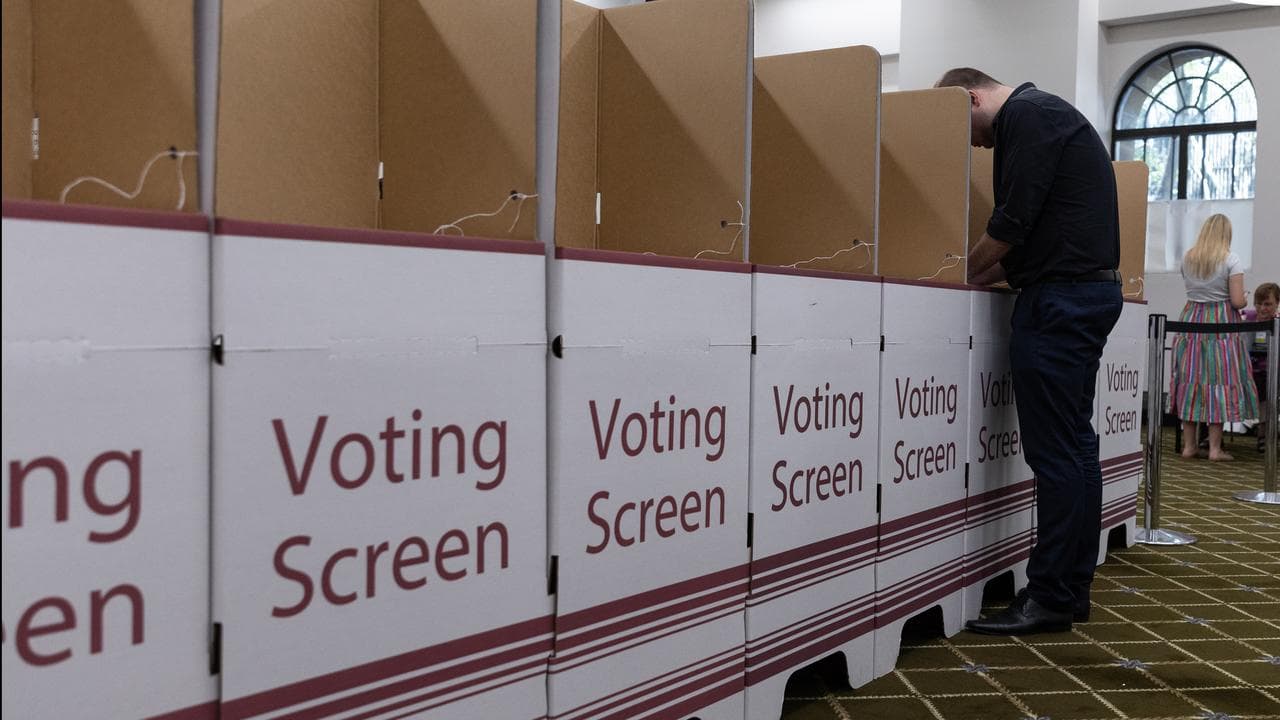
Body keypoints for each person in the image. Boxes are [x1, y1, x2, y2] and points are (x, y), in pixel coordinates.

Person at [936, 68, 1123, 635]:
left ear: (970, 97)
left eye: (963, 128)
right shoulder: (1048, 114)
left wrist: (951, 272)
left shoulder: (1026, 117)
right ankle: (1071, 589)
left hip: (1061, 300)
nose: (972, 144)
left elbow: (1012, 223)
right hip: (1084, 291)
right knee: (1076, 449)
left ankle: (1047, 596)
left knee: (1056, 455)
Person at [1169, 214, 1258, 462]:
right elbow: (1238, 301)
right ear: (1225, 234)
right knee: (1218, 379)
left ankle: (1189, 446)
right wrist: (1246, 298)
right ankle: (1215, 449)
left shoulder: (1189, 258)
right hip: (1220, 323)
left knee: (1191, 381)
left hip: (1191, 318)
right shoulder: (1231, 259)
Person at [1250, 283, 1278, 450]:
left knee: (1267, 383)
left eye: (1267, 304)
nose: (1262, 308)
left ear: (1277, 304)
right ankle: (1209, 436)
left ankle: (1263, 432)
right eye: (1258, 303)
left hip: (1271, 371)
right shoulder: (1246, 318)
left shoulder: (1278, 322)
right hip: (1247, 370)